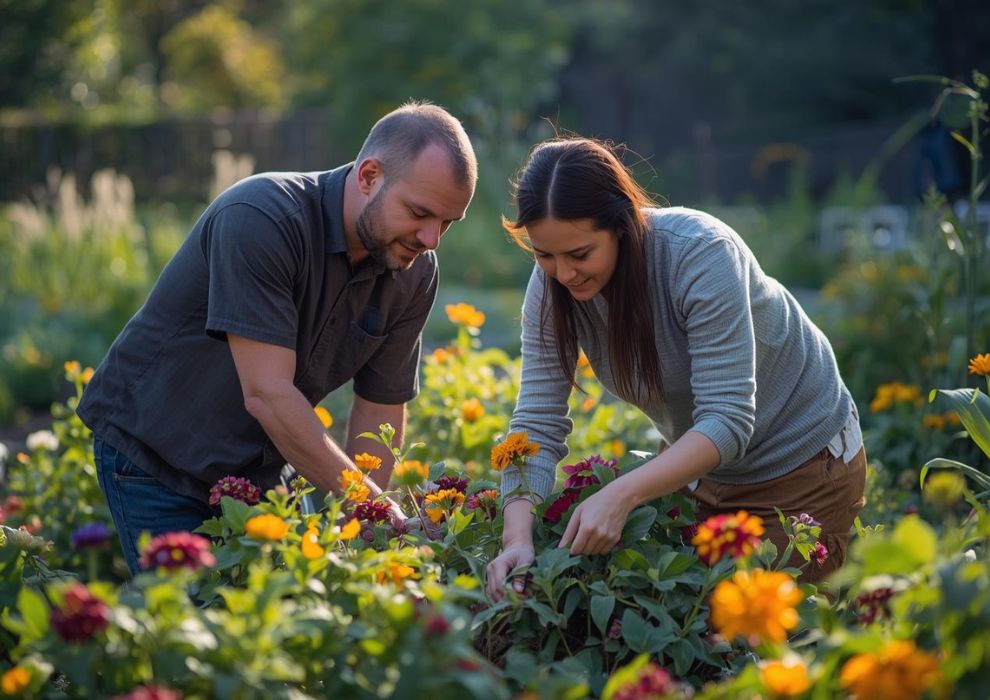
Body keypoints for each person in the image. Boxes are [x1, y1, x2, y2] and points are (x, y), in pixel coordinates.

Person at [78, 102, 477, 574]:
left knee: (275, 628)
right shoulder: (262, 218)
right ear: (369, 176)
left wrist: (365, 528)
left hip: (261, 472)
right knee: (195, 631)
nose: (431, 239)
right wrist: (375, 510)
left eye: (447, 224)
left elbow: (380, 406)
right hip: (157, 459)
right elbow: (267, 395)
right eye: (420, 213)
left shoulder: (412, 268)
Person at [485, 138, 864, 600]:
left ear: (622, 226)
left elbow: (727, 419)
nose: (563, 274)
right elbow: (535, 424)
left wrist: (622, 493)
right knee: (688, 627)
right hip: (701, 471)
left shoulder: (699, 254)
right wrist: (517, 540)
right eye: (545, 255)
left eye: (581, 254)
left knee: (762, 641)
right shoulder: (552, 288)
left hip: (800, 466)